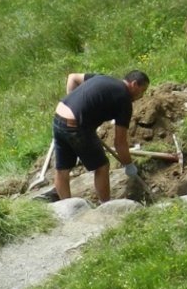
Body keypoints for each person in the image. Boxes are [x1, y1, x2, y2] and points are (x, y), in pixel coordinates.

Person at [52, 70, 149, 202]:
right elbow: (120, 143)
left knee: (62, 169)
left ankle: (66, 209)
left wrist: (76, 105)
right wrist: (129, 165)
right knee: (102, 167)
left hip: (59, 115)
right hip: (76, 125)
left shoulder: (103, 78)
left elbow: (72, 78)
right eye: (142, 91)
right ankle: (105, 207)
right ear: (134, 84)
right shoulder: (124, 100)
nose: (141, 96)